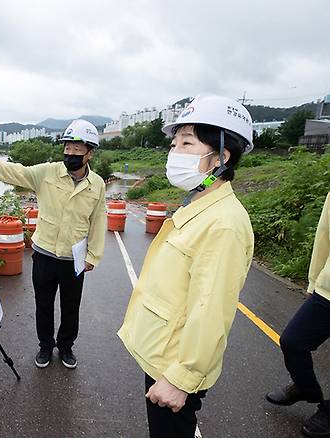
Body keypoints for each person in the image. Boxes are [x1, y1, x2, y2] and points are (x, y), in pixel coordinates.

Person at [117, 95, 255, 438]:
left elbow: (211, 310)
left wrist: (181, 379)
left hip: (175, 368)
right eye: (174, 143)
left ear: (221, 157)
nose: (174, 152)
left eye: (187, 143)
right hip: (164, 355)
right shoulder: (200, 203)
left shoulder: (224, 224)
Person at [0, 119, 106, 369]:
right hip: (45, 254)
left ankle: (66, 347)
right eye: (67, 148)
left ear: (90, 153)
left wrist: (93, 256)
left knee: (71, 308)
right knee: (44, 305)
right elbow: (16, 171)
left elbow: (98, 219)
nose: (70, 154)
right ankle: (45, 347)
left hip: (74, 259)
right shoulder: (47, 172)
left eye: (77, 150)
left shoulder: (97, 184)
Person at [266, 191, 330, 438]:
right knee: (293, 341)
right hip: (327, 290)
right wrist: (315, 280)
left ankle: (327, 411)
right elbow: (325, 233)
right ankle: (306, 388)